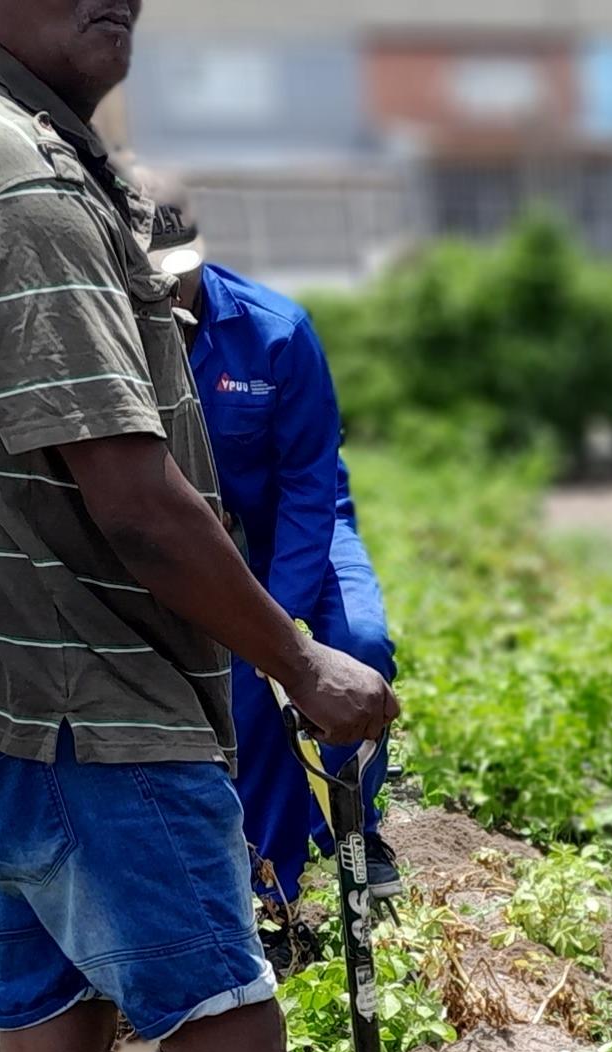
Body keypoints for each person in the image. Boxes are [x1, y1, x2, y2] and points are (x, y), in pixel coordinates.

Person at [0, 0, 396, 1052]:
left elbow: (305, 493)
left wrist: (289, 633)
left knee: (54, 1029)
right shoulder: (24, 190)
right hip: (82, 710)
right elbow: (140, 506)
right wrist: (294, 661)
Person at [144, 175, 403, 915]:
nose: (165, 292)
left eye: (176, 274)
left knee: (359, 645)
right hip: (201, 546)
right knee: (247, 702)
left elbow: (306, 484)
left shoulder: (276, 331)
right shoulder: (114, 333)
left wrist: (279, 625)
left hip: (302, 527)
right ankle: (274, 887)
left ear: (200, 251)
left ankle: (360, 825)